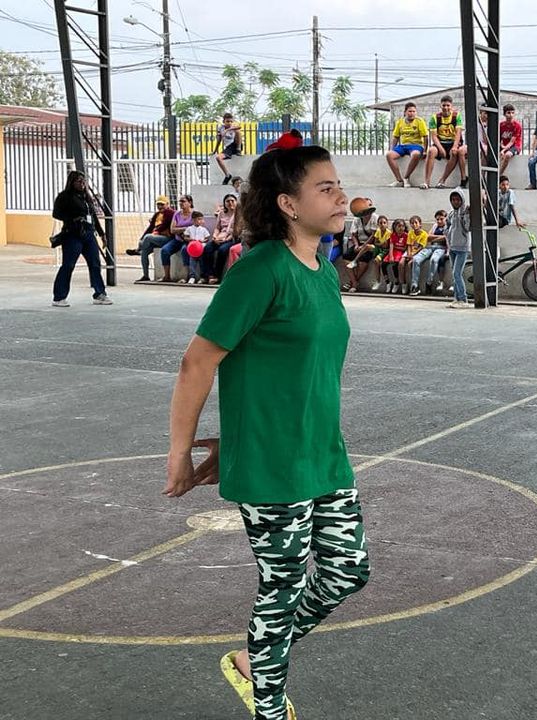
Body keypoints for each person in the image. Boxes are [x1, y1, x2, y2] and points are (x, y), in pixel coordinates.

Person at [164, 145, 369, 720]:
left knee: (347, 571)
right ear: (288, 204)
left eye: (338, 185)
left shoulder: (323, 271)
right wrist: (180, 452)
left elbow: (292, 370)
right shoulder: (259, 270)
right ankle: (269, 706)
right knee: (282, 587)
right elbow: (198, 361)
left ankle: (257, 657)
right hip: (273, 464)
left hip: (323, 453)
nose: (340, 197)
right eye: (325, 188)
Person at [50, 170, 112, 307]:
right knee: (68, 265)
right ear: (72, 182)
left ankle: (99, 293)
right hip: (73, 234)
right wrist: (72, 219)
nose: (82, 184)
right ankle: (59, 297)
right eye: (79, 181)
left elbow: (93, 217)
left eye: (84, 181)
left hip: (89, 234)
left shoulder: (86, 197)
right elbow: (56, 213)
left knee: (95, 263)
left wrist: (102, 234)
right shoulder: (65, 196)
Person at [126, 194, 174, 282]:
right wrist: (142, 238)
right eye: (158, 204)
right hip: (157, 238)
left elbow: (166, 224)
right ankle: (145, 275)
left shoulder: (169, 212)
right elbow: (150, 227)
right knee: (144, 252)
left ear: (167, 204)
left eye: (162, 204)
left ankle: (138, 250)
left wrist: (157, 231)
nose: (160, 206)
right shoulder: (157, 214)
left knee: (148, 237)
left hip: (167, 238)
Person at [423, 95, 467, 189]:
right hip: (440, 142)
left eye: (448, 105)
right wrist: (440, 148)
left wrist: (454, 146)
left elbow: (458, 133)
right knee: (431, 151)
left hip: (453, 142)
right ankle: (427, 182)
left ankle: (442, 180)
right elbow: (434, 136)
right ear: (440, 106)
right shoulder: (435, 117)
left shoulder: (456, 116)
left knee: (454, 153)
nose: (446, 108)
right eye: (444, 105)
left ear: (451, 106)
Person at [386, 102, 428, 188]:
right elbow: (396, 137)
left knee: (416, 154)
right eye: (410, 111)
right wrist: (392, 149)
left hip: (416, 145)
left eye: (413, 111)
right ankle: (399, 180)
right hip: (403, 146)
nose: (412, 113)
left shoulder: (420, 121)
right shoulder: (400, 122)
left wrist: (425, 150)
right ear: (405, 112)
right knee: (389, 155)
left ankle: (406, 178)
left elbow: (425, 137)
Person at [341, 198, 379, 292]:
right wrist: (356, 245)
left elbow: (374, 235)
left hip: (370, 245)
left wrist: (364, 246)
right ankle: (354, 282)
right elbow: (353, 234)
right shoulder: (357, 218)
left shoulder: (375, 218)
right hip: (359, 243)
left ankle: (353, 283)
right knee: (346, 256)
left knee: (363, 260)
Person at [201, 194, 239, 283]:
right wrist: (215, 237)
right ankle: (208, 275)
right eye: (228, 201)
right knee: (207, 248)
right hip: (220, 237)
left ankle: (217, 275)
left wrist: (225, 240)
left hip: (231, 238)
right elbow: (218, 227)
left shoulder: (239, 214)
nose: (230, 203)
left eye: (232, 201)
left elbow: (237, 231)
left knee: (222, 250)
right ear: (224, 203)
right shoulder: (222, 213)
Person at [411, 210, 448, 296]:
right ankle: (414, 285)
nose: (439, 221)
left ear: (445, 219)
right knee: (416, 259)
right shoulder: (435, 226)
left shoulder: (448, 227)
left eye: (441, 219)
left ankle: (429, 283)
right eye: (437, 219)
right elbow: (428, 237)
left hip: (441, 248)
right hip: (430, 247)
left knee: (434, 260)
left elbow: (447, 237)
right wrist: (441, 237)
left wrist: (435, 238)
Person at [158, 195, 195, 282]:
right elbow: (172, 230)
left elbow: (194, 228)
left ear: (190, 203)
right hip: (177, 240)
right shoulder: (177, 214)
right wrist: (185, 228)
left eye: (183, 201)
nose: (181, 203)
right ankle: (167, 276)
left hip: (188, 240)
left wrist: (179, 229)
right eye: (180, 201)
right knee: (165, 250)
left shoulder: (194, 214)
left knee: (184, 250)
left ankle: (186, 276)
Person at [446, 188, 471, 308]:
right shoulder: (451, 213)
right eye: (453, 200)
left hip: (462, 247)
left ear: (462, 200)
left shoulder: (465, 212)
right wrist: (448, 235)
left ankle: (463, 299)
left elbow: (468, 228)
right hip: (452, 247)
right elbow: (447, 225)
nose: (455, 202)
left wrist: (466, 215)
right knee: (454, 274)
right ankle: (456, 298)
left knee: (457, 273)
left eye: (458, 200)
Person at [180, 210, 210, 285]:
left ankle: (203, 277)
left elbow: (207, 238)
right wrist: (190, 239)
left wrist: (203, 241)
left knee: (202, 262)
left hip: (201, 248)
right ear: (193, 220)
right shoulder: (189, 229)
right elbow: (185, 237)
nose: (201, 221)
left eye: (201, 219)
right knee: (192, 262)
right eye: (199, 219)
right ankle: (192, 276)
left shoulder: (203, 229)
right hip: (193, 249)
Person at [213, 112, 243, 185]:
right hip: (229, 148)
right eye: (227, 121)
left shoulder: (233, 126)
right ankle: (227, 175)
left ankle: (238, 150)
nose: (229, 123)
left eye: (231, 121)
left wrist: (228, 130)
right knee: (218, 158)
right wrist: (215, 150)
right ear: (224, 121)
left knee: (238, 131)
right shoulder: (221, 128)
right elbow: (219, 140)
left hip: (236, 144)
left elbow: (239, 127)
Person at [403, 215, 429, 294]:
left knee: (412, 263)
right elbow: (409, 245)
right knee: (401, 263)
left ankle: (414, 286)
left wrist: (412, 255)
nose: (414, 225)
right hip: (411, 252)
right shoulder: (410, 233)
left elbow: (421, 247)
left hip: (420, 251)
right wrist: (409, 254)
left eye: (416, 223)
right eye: (412, 223)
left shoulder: (424, 234)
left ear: (420, 224)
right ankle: (404, 284)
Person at [382, 218, 408, 294]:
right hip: (393, 252)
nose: (401, 228)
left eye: (402, 226)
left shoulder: (406, 235)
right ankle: (388, 282)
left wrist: (396, 247)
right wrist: (391, 256)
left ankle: (397, 282)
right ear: (394, 227)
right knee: (383, 264)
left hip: (400, 253)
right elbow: (391, 246)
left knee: (395, 265)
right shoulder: (393, 235)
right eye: (399, 226)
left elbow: (404, 248)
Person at [369, 214, 392, 292]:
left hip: (386, 251)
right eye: (380, 223)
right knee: (367, 247)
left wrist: (380, 244)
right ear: (378, 224)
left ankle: (378, 281)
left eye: (384, 223)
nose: (382, 225)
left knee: (377, 261)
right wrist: (380, 244)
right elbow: (375, 242)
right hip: (379, 248)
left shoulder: (389, 233)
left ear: (387, 224)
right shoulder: (378, 231)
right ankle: (355, 260)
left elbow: (386, 246)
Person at [499, 104, 523, 174]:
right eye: (508, 113)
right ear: (504, 114)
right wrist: (501, 146)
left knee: (507, 155)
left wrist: (503, 150)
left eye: (512, 113)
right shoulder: (501, 125)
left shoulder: (517, 126)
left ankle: (500, 174)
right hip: (504, 146)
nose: (511, 115)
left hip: (515, 146)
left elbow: (512, 142)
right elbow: (498, 138)